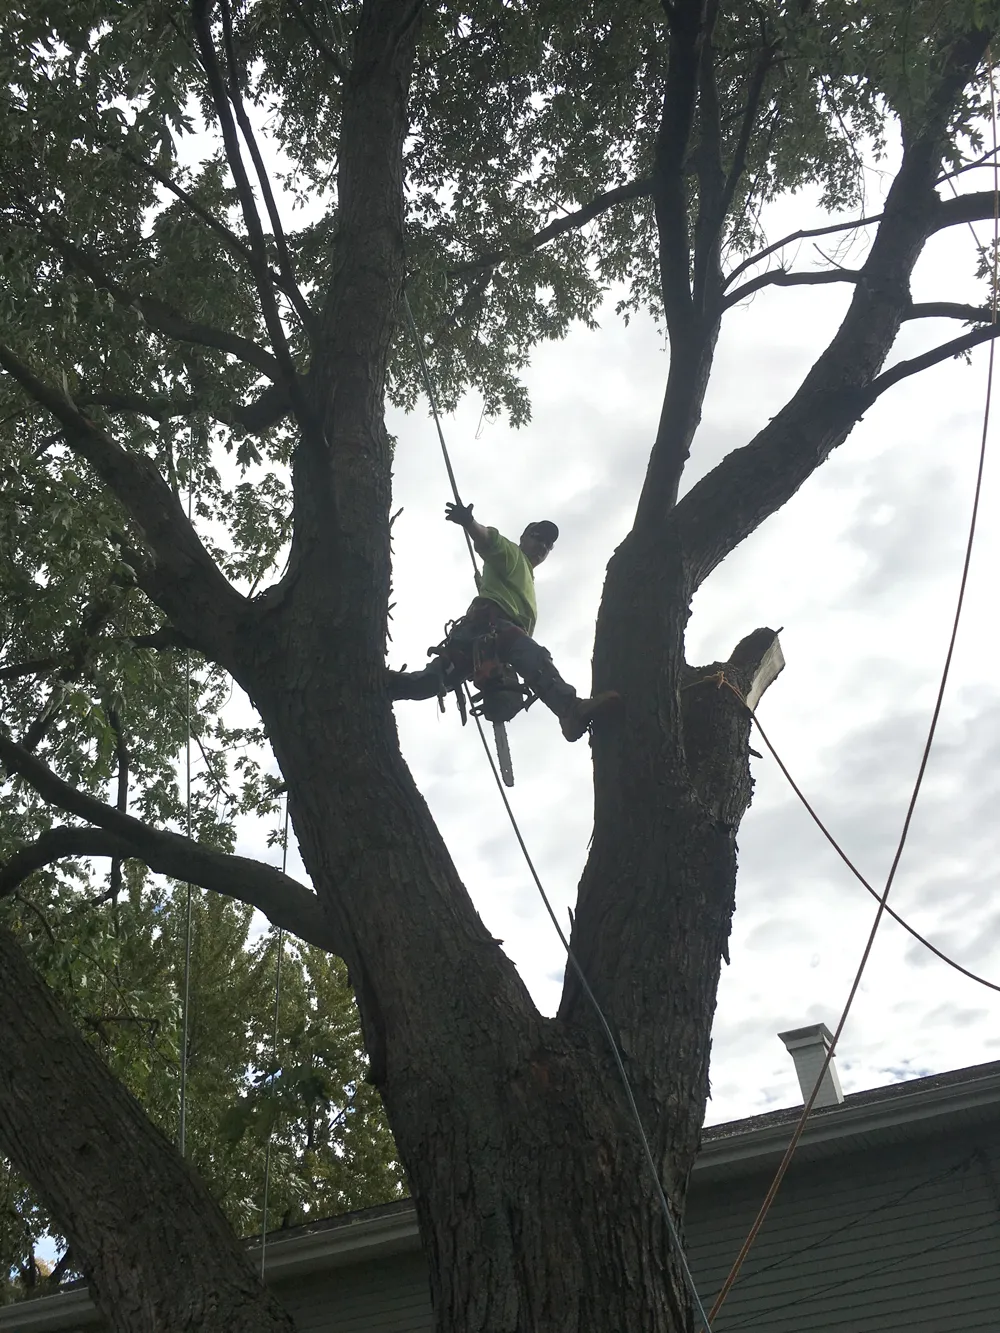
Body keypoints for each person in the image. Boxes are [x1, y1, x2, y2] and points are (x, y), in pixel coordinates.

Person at [387, 502, 619, 742]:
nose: (543, 546)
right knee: (533, 657)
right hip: (494, 629)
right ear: (524, 537)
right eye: (538, 538)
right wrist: (469, 522)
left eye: (548, 545)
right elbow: (489, 541)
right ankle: (570, 709)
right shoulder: (513, 555)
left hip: (480, 640)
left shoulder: (526, 577)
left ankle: (387, 685)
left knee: (435, 679)